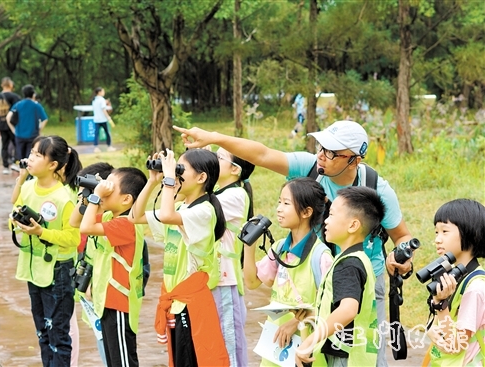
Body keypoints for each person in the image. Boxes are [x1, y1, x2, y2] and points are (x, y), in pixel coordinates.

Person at [174, 120, 414, 366]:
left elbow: (401, 236)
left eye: (331, 152)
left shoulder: (377, 188)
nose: (321, 155)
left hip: (362, 281)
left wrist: (400, 259)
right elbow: (262, 154)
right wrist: (214, 137)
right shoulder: (310, 166)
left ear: (354, 160)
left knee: (364, 356)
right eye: (320, 146)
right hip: (318, 280)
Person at [129, 148, 230, 367]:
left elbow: (166, 216)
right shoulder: (180, 207)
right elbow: (134, 216)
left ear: (202, 177)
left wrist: (167, 179)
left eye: (181, 170)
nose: (176, 174)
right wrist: (152, 182)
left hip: (191, 303)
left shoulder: (204, 211)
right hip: (176, 301)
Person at [9, 135, 82, 367]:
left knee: (58, 336)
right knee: (43, 333)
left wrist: (42, 233)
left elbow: (73, 238)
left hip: (59, 272)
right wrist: (16, 223)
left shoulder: (65, 197)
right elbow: (13, 215)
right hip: (35, 271)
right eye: (31, 152)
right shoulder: (28, 186)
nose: (30, 158)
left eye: (37, 155)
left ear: (53, 165)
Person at [244, 178, 333, 366]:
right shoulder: (279, 249)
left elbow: (331, 308)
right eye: (279, 202)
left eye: (286, 203)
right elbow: (251, 282)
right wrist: (248, 244)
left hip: (305, 350)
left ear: (307, 212)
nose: (278, 209)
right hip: (274, 347)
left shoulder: (321, 256)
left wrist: (295, 323)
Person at [295, 186, 385, 367]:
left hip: (345, 358)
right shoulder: (358, 259)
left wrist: (311, 340)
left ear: (353, 225)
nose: (325, 221)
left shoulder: (348, 265)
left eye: (332, 215)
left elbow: (348, 310)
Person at [76, 167, 147, 367]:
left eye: (111, 186)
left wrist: (97, 196)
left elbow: (86, 227)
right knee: (113, 361)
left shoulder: (127, 224)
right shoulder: (111, 218)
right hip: (107, 302)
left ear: (126, 199)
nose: (105, 188)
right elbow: (77, 221)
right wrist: (89, 194)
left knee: (123, 362)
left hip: (119, 304)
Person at [425, 199, 485, 367]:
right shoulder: (458, 276)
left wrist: (440, 304)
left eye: (445, 231)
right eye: (436, 232)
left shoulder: (475, 288)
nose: (437, 239)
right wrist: (432, 328)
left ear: (469, 233)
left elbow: (455, 345)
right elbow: (447, 327)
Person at [213, 148, 255, 366]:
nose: (212, 159)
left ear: (235, 170)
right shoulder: (220, 193)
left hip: (225, 282)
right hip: (215, 279)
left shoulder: (235, 195)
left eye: (218, 157)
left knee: (229, 351)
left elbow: (196, 210)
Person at [6, 84, 48, 161]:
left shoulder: (18, 105)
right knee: (30, 157)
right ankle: (29, 172)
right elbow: (45, 119)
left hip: (19, 135)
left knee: (21, 158)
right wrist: (39, 131)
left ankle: (22, 171)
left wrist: (14, 130)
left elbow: (8, 117)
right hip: (32, 135)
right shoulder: (36, 106)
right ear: (33, 94)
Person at [0, 77, 21, 174]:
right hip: (12, 124)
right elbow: (18, 109)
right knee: (16, 143)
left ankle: (5, 167)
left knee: (4, 145)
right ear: (10, 85)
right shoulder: (14, 97)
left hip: (1, 122)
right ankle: (15, 162)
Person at [92, 87, 116, 153]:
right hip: (103, 119)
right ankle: (109, 147)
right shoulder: (102, 100)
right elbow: (104, 110)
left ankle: (96, 148)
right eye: (103, 91)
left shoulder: (94, 100)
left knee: (96, 134)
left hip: (96, 119)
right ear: (99, 92)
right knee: (107, 133)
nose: (104, 92)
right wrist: (108, 117)